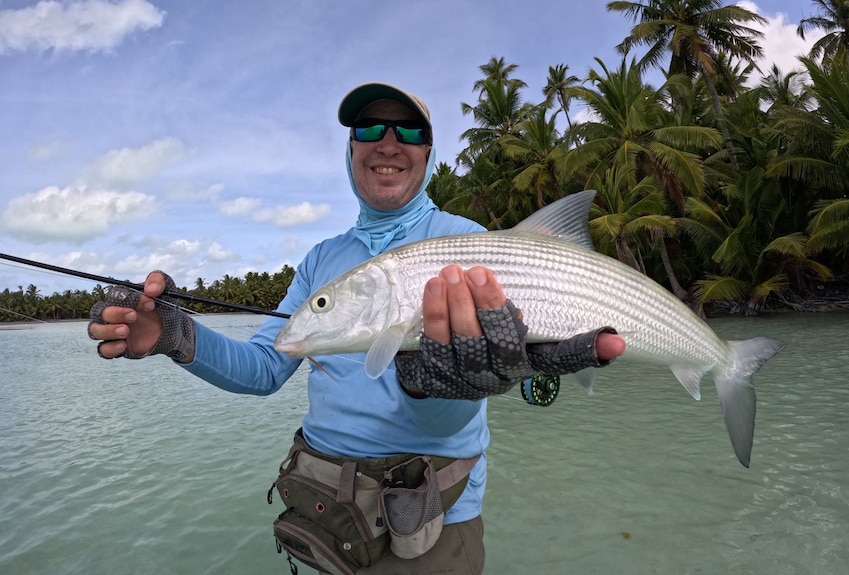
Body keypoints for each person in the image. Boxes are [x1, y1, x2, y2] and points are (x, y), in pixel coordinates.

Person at [87, 82, 626, 575]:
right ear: (350, 153)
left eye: (409, 130)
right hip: (327, 516)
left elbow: (462, 403)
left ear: (428, 153)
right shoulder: (322, 258)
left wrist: (438, 386)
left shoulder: (466, 242)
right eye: (369, 129)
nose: (388, 143)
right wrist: (176, 338)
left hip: (428, 526)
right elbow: (265, 367)